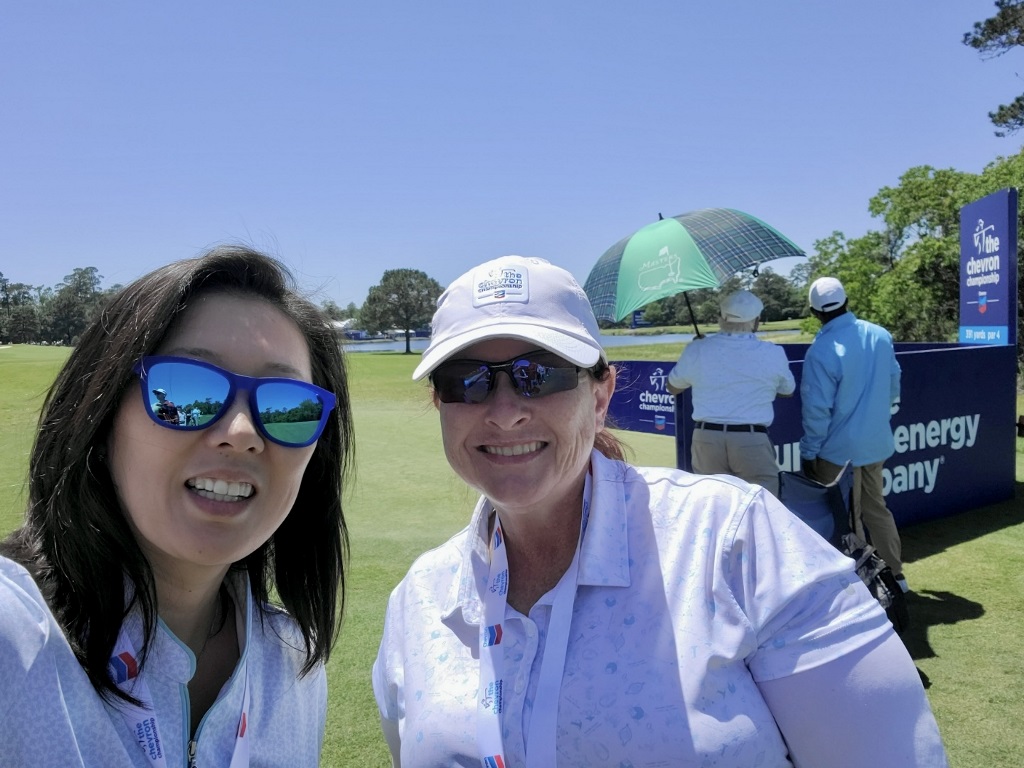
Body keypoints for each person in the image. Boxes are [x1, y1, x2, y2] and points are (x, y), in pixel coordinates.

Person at [372, 255, 947, 767]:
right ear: (440, 403)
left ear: (599, 397)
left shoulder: (737, 541)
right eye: (465, 381)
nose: (503, 412)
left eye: (538, 375)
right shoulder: (418, 599)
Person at [0, 245, 353, 767]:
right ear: (99, 419)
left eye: (286, 405)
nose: (242, 433)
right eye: (185, 389)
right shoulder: (12, 638)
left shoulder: (292, 663)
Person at [799, 276, 907, 593]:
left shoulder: (821, 350)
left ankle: (864, 585)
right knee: (876, 509)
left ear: (814, 311)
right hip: (875, 443)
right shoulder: (879, 334)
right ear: (847, 301)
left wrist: (808, 452)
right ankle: (897, 578)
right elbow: (893, 383)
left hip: (836, 452)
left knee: (847, 519)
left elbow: (817, 411)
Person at [666, 289, 795, 497]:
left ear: (721, 318)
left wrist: (696, 348)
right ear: (756, 321)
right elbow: (788, 391)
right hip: (751, 440)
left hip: (706, 439)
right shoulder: (773, 353)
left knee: (712, 509)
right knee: (763, 510)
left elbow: (673, 386)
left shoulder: (699, 349)